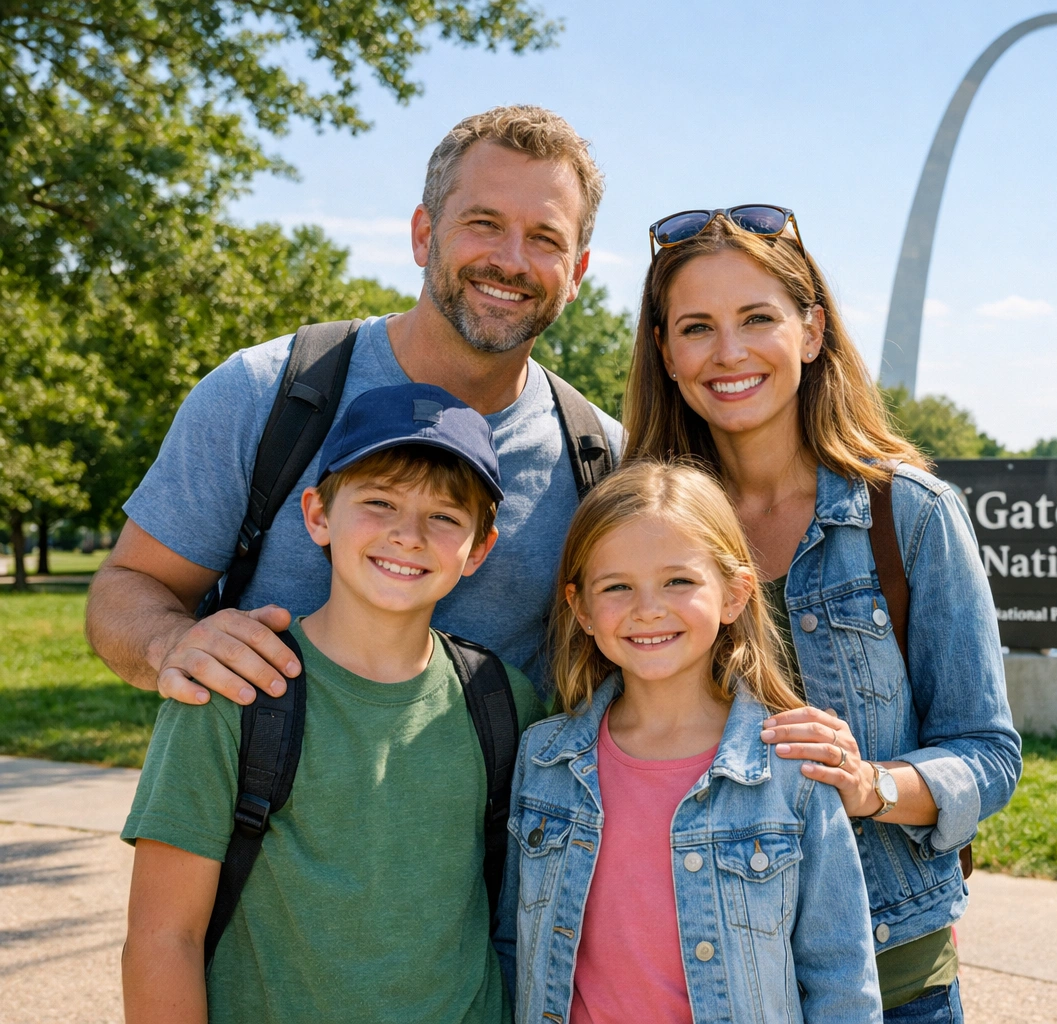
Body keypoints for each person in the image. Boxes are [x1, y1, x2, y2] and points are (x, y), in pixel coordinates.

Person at [622, 207, 1022, 1021]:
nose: (729, 352)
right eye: (697, 327)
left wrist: (871, 785)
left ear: (810, 331)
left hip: (892, 977)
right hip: (695, 974)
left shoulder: (910, 515)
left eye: (757, 319)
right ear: (665, 352)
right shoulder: (637, 528)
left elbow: (988, 755)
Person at [86, 104, 622, 707]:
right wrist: (171, 644)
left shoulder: (602, 460)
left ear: (576, 273)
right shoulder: (264, 392)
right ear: (424, 235)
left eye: (545, 238)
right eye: (484, 223)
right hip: (263, 769)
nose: (512, 260)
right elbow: (130, 585)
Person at [121, 383, 548, 1023]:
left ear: (478, 549)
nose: (408, 535)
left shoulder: (502, 701)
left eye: (444, 516)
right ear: (319, 514)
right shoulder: (234, 687)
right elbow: (162, 939)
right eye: (379, 502)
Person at [495, 460, 882, 1024]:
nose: (648, 608)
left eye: (678, 581)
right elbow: (514, 947)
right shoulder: (544, 760)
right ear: (582, 609)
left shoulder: (791, 769)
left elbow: (841, 978)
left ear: (734, 594)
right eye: (617, 586)